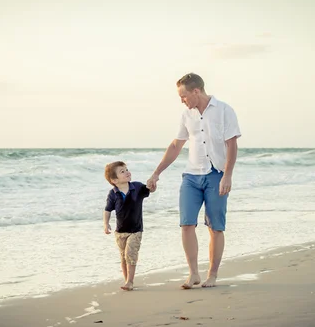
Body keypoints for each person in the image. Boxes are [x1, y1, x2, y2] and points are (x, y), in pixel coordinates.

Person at [147, 73, 241, 289]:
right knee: (186, 224)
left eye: (183, 96)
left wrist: (227, 175)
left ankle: (213, 275)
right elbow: (175, 146)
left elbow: (232, 145)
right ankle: (193, 274)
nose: (182, 100)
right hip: (191, 176)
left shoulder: (225, 110)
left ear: (196, 91)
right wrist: (156, 173)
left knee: (215, 227)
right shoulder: (186, 115)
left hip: (216, 174)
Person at [103, 161, 152, 291]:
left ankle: (130, 281)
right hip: (120, 232)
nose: (127, 172)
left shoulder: (137, 187)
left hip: (135, 230)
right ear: (114, 180)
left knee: (130, 254)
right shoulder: (113, 193)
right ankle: (126, 280)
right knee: (123, 256)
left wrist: (153, 184)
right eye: (122, 171)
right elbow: (107, 210)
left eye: (127, 169)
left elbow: (150, 189)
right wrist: (106, 223)